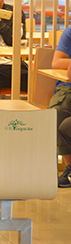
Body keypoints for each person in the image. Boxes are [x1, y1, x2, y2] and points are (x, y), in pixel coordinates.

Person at [48, 27, 71, 187]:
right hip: (68, 87)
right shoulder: (70, 32)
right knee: (57, 112)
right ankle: (69, 168)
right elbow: (56, 62)